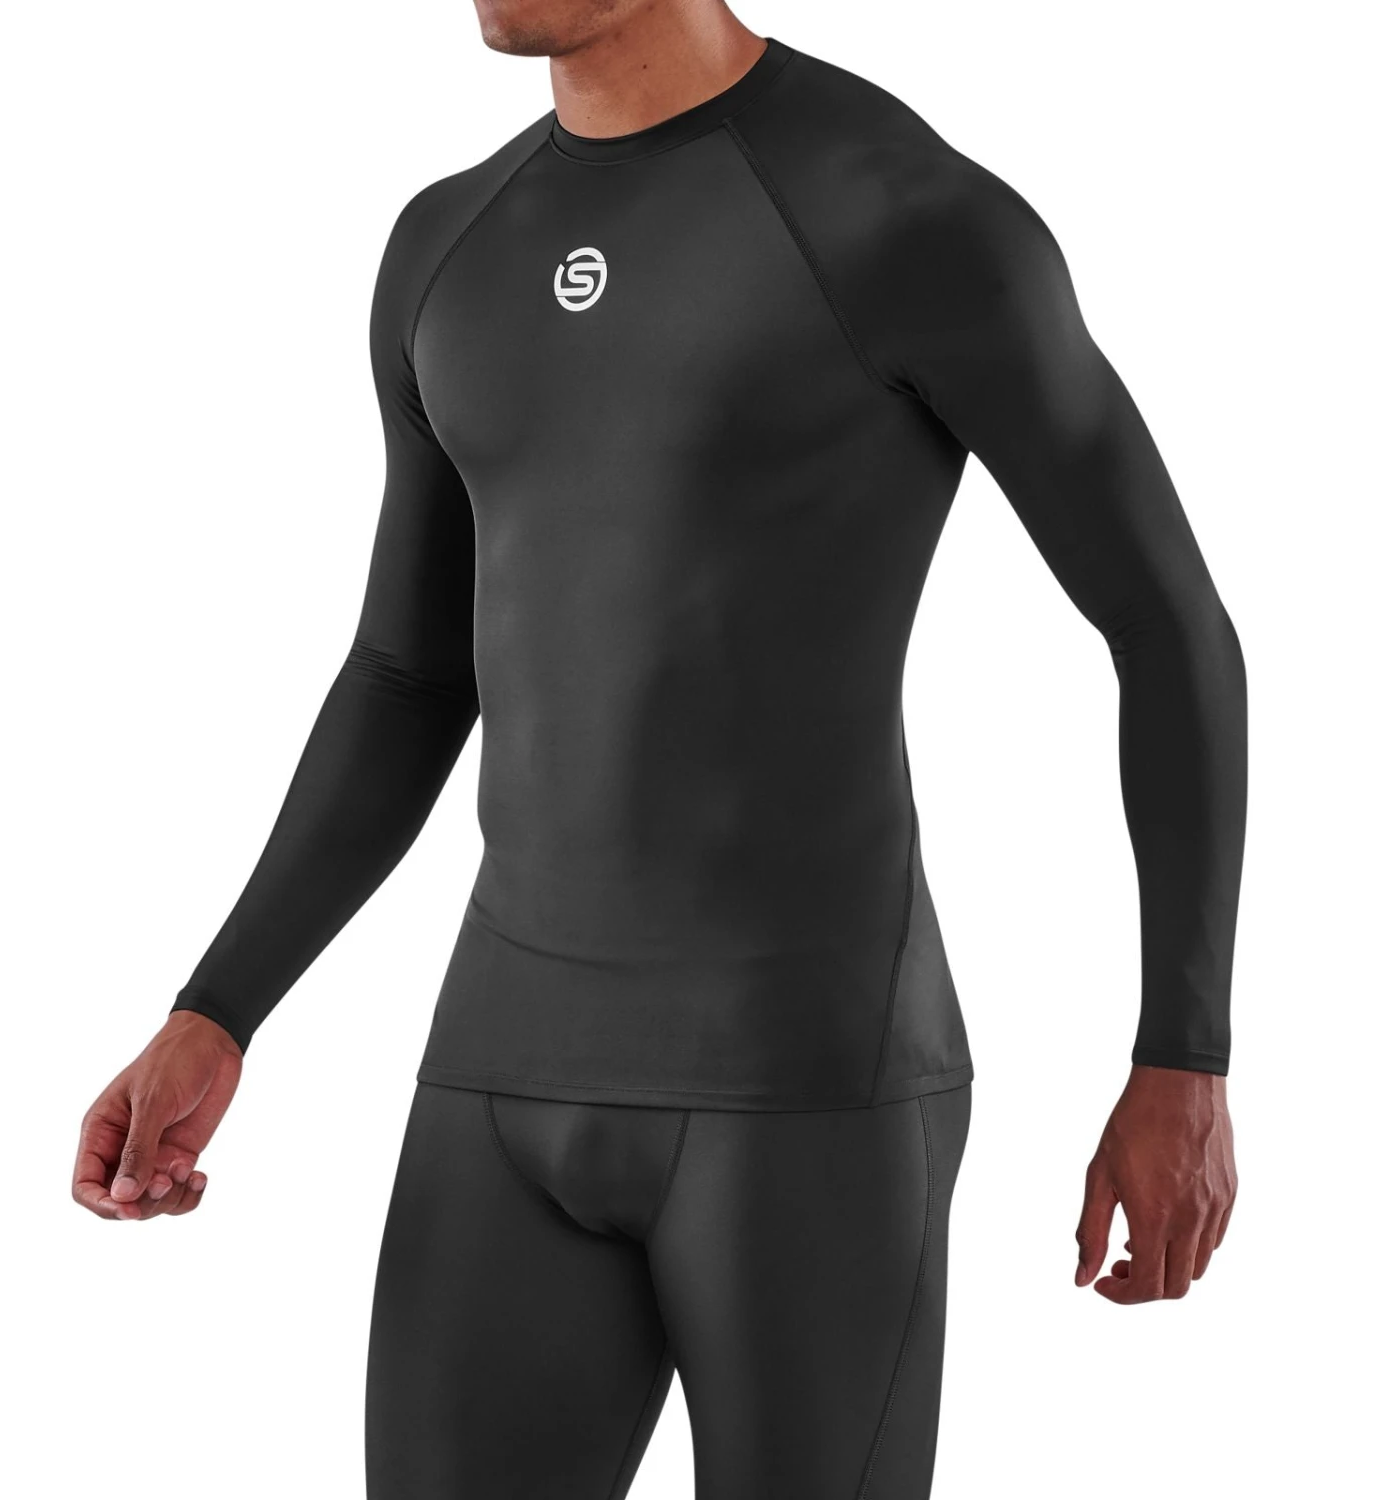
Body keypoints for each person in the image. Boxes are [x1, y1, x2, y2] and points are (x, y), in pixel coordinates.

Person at [72, 3, 1245, 1495]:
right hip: (503, 1074)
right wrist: (218, 1009)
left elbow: (1168, 627)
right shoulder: (449, 247)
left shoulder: (897, 214)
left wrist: (1183, 1058)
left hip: (808, 1090)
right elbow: (411, 673)